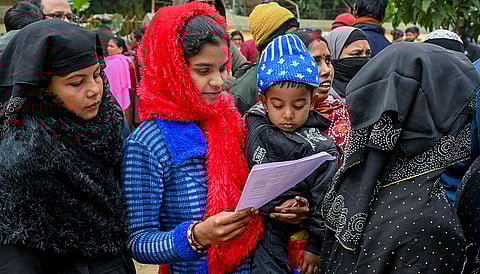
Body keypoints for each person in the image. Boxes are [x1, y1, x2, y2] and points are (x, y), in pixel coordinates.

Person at [121, 3, 266, 273]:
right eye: (203, 71)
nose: (219, 82)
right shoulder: (148, 144)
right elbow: (138, 240)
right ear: (170, 69)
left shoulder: (234, 122)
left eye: (223, 68)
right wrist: (197, 236)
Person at [319, 42, 480, 273]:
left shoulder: (351, 186)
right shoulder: (431, 223)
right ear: (434, 124)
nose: (467, 122)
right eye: (462, 111)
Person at [0, 19, 134, 273]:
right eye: (76, 82)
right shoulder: (21, 158)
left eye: (97, 75)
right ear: (42, 89)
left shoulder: (109, 126)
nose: (94, 90)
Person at [247, 33, 337, 274]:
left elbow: (326, 199)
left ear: (312, 99)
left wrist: (315, 245)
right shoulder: (250, 126)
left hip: (301, 235)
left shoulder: (321, 146)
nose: (288, 114)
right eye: (278, 105)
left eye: (299, 106)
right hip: (257, 231)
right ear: (263, 101)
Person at [232, 2, 300, 114]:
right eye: (287, 37)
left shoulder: (301, 74)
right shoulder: (243, 93)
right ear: (267, 43)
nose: (293, 42)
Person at [295, 30, 352, 152]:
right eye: (315, 62)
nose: (326, 71)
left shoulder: (340, 112)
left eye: (328, 61)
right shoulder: (273, 113)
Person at [173, 0, 248, 76]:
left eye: (210, 3)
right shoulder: (170, 45)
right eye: (201, 2)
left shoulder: (223, 42)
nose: (206, 8)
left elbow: (245, 71)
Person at [324, 26, 370, 99]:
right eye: (356, 54)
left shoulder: (374, 88)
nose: (364, 59)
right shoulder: (323, 97)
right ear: (333, 54)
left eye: (368, 54)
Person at [105, 36, 134, 128]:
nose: (108, 48)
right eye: (108, 46)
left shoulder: (121, 61)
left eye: (112, 46)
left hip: (118, 92)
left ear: (120, 49)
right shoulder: (107, 61)